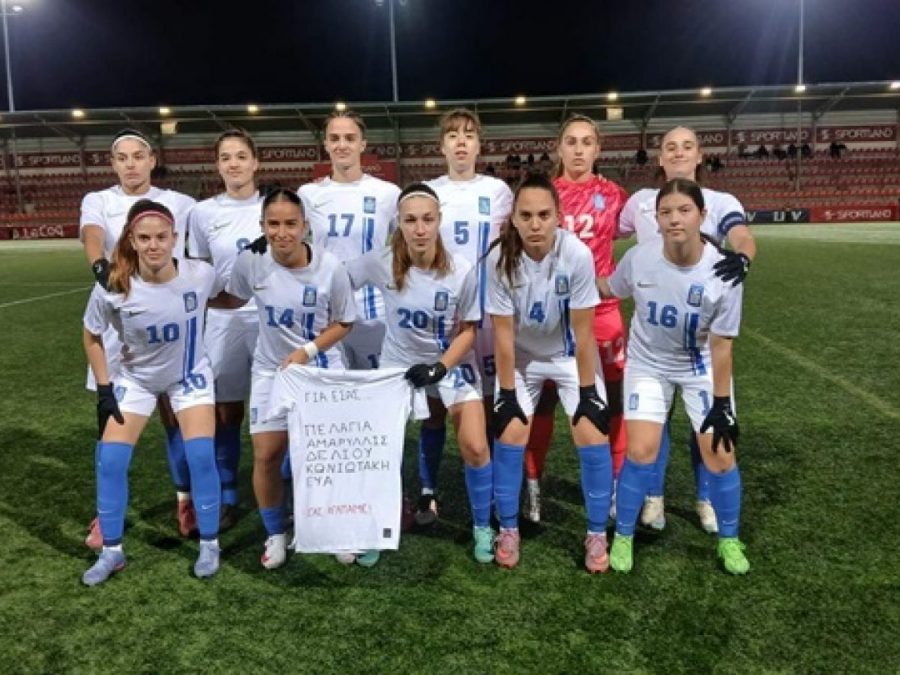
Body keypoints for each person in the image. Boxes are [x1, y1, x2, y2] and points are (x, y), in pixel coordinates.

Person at [603, 178, 749, 575]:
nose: (674, 219)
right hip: (648, 365)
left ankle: (730, 539)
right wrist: (569, 285)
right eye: (665, 212)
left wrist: (722, 404)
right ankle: (624, 536)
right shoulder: (640, 257)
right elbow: (609, 288)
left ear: (702, 215)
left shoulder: (722, 272)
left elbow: (722, 345)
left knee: (720, 454)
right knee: (641, 451)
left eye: (684, 210)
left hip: (700, 366)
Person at [618, 125, 756, 534]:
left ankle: (706, 498)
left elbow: (742, 236)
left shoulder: (720, 201)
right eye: (670, 147)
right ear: (660, 158)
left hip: (699, 340)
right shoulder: (640, 202)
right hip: (653, 339)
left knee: (707, 427)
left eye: (687, 146)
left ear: (699, 155)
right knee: (653, 423)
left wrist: (744, 257)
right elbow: (604, 231)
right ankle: (653, 498)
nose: (679, 153)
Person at [347, 182, 494, 563]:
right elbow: (336, 277)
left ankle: (483, 527)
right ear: (399, 223)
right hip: (398, 363)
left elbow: (469, 330)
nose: (420, 228)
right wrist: (292, 257)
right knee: (381, 449)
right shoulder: (381, 261)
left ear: (439, 220)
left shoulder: (461, 269)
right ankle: (379, 527)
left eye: (427, 219)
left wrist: (439, 367)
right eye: (410, 220)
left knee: (476, 447)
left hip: (450, 361)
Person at [211, 188, 357, 570]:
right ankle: (276, 532)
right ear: (261, 225)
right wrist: (186, 294)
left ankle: (334, 527)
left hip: (320, 369)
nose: (282, 232)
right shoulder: (251, 261)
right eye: (273, 224)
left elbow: (345, 321)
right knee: (266, 454)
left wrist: (307, 351)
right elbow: (233, 298)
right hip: (271, 370)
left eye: (291, 223)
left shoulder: (330, 267)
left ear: (305, 226)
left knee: (326, 456)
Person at [81, 200, 222, 586]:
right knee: (110, 461)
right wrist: (105, 387)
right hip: (137, 380)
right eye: (144, 238)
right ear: (131, 239)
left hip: (189, 376)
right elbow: (91, 336)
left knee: (200, 455)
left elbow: (229, 297)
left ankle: (210, 544)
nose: (154, 244)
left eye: (162, 237)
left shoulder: (200, 274)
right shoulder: (112, 286)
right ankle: (112, 552)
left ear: (175, 238)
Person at [486, 172, 613, 573]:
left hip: (569, 354)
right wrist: (507, 393)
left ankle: (596, 532)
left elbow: (584, 331)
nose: (535, 224)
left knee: (592, 431)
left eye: (544, 215)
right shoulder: (499, 259)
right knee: (510, 432)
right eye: (526, 215)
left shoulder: (576, 254)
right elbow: (503, 335)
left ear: (558, 216)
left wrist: (589, 392)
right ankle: (509, 528)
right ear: (514, 219)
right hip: (522, 357)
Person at [79, 128, 198, 547]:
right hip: (120, 321)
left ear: (152, 161)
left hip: (166, 325)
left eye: (138, 156)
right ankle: (105, 514)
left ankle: (185, 500)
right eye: (122, 157)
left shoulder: (182, 204)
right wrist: (101, 268)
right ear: (113, 164)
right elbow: (92, 234)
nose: (130, 164)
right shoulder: (99, 200)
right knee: (109, 420)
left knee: (174, 417)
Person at [523, 115, 628, 524]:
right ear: (559, 148)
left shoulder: (614, 195)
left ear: (598, 148)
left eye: (587, 142)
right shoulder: (547, 195)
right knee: (544, 400)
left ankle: (615, 485)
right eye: (571, 141)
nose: (579, 149)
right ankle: (534, 482)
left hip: (601, 313)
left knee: (611, 402)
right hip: (550, 313)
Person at [411, 108, 512, 525]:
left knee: (485, 402)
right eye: (453, 135)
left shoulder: (499, 191)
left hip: (487, 314)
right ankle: (427, 490)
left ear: (479, 144)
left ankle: (493, 489)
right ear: (442, 146)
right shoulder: (428, 192)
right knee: (434, 406)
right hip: (442, 315)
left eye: (469, 134)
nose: (461, 142)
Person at [187, 128, 263, 529]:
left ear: (255, 162)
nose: (234, 164)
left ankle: (284, 492)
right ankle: (228, 494)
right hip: (223, 320)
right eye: (225, 158)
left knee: (277, 409)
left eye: (241, 156)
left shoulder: (274, 205)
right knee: (226, 410)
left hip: (270, 320)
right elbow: (199, 269)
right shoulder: (203, 213)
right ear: (217, 165)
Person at [298, 110, 400, 371]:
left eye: (349, 138)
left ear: (362, 144)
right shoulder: (308, 194)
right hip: (326, 311)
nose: (341, 145)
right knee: (333, 390)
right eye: (334, 138)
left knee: (377, 387)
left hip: (375, 310)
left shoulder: (388, 194)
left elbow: (405, 247)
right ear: (325, 144)